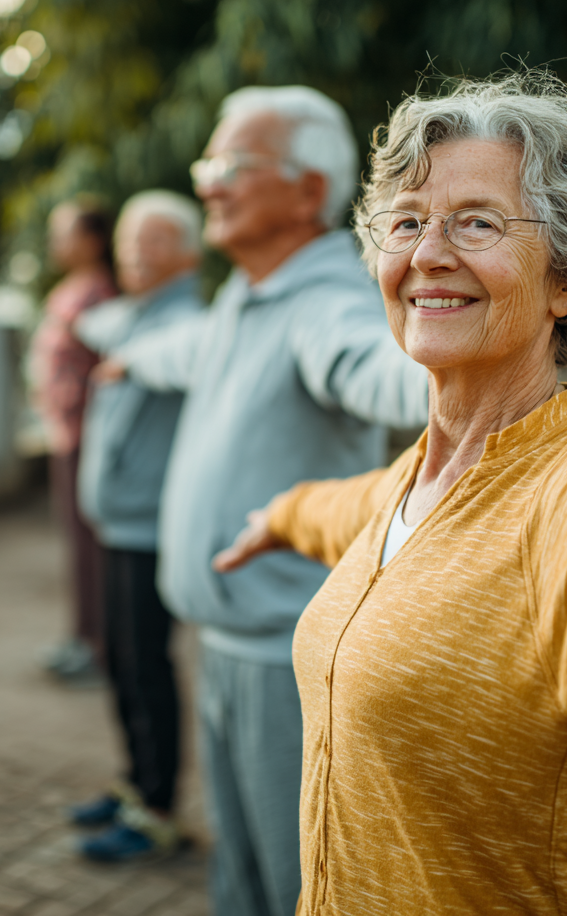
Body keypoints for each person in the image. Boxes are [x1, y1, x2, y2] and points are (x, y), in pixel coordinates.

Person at [214, 73, 567, 916]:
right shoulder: (422, 474)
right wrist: (281, 517)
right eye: (406, 223)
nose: (428, 253)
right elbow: (356, 513)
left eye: (477, 222)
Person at [102, 87, 430, 916]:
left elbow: (382, 370)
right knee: (240, 882)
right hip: (223, 648)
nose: (210, 183)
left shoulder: (323, 303)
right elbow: (172, 350)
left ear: (308, 191)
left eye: (232, 166)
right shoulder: (241, 305)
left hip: (282, 662)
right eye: (207, 165)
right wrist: (124, 357)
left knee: (298, 889)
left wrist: (460, 365)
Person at [67, 191, 204, 863]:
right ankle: (134, 786)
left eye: (152, 242)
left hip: (150, 528)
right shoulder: (137, 314)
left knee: (144, 665)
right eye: (126, 240)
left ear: (189, 254)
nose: (133, 254)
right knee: (120, 662)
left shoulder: (186, 321)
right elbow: (90, 324)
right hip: (119, 524)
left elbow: (178, 353)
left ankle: (157, 812)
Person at [28, 196, 116, 681]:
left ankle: (97, 645)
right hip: (64, 434)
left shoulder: (97, 296)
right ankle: (82, 635)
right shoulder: (72, 290)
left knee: (89, 545)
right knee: (77, 543)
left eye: (64, 232)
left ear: (92, 240)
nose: (54, 242)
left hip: (87, 437)